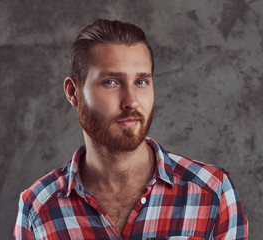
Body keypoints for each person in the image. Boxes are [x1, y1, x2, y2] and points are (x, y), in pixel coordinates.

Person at [14, 19, 248, 239]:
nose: (131, 101)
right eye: (111, 82)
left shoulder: (213, 193)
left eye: (141, 82)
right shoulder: (37, 207)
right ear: (73, 92)